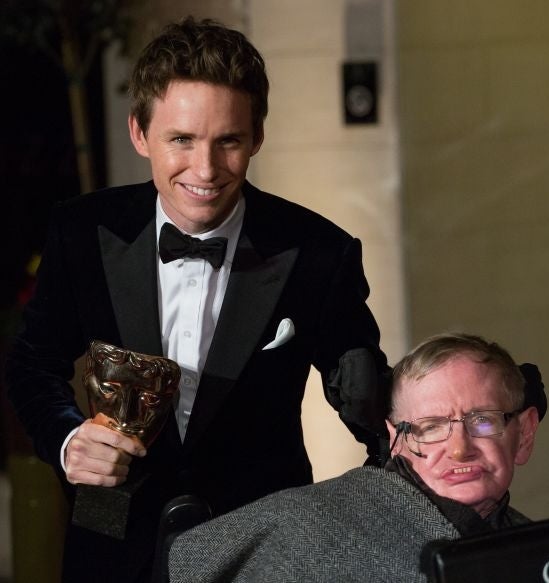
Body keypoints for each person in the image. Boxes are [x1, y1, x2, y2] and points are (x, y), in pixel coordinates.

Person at [4, 16, 389, 583]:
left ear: (257, 136)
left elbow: (368, 400)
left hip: (264, 545)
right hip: (112, 544)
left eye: (228, 141)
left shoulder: (318, 252)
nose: (205, 171)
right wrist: (67, 440)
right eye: (180, 139)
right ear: (140, 133)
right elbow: (32, 365)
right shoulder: (81, 233)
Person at [168, 332, 547, 583]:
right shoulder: (308, 530)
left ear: (525, 431)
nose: (459, 448)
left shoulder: (539, 552)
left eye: (482, 420)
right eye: (430, 427)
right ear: (395, 440)